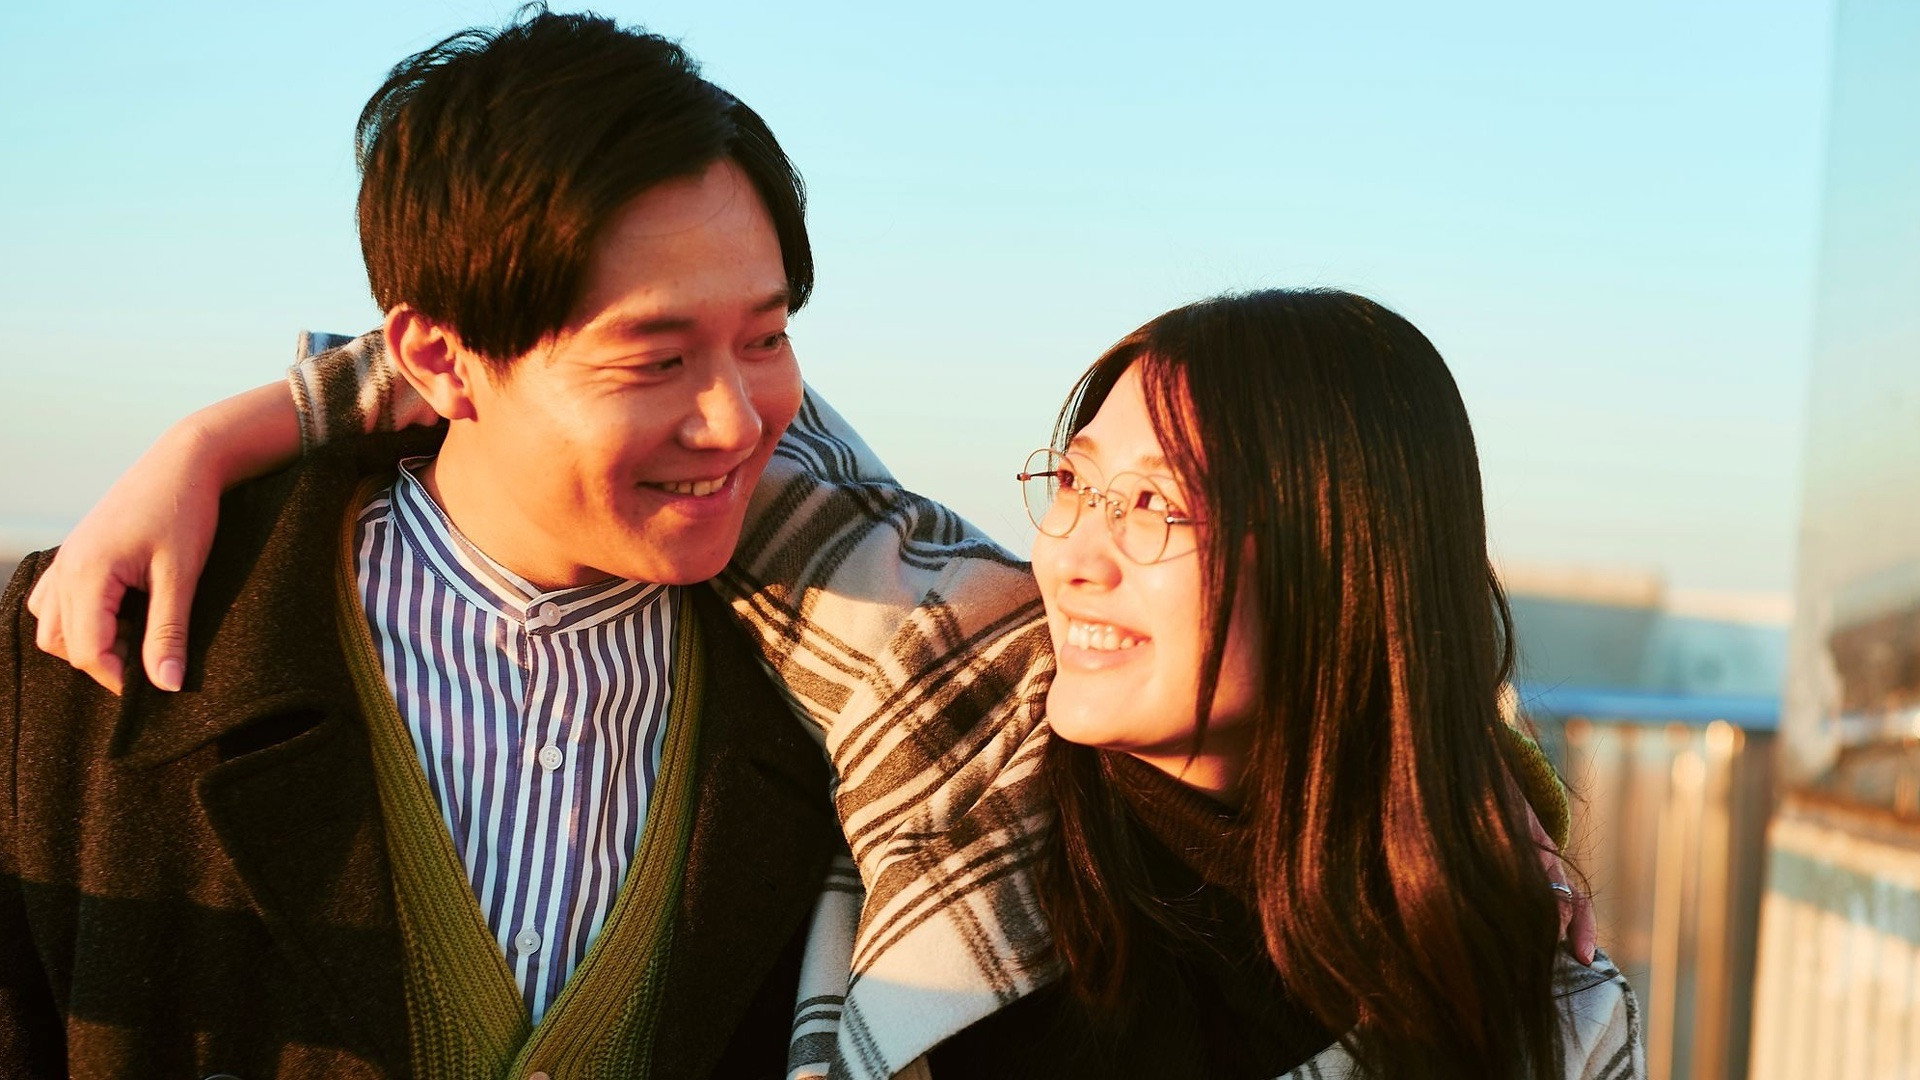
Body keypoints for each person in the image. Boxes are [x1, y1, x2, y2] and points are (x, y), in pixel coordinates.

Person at [5, 16, 1610, 1080]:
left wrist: (1486, 810)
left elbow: (1374, 619)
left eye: (770, 336)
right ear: (439, 360)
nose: (740, 418)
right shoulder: (88, 662)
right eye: (657, 357)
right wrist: (234, 431)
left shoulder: (869, 652)